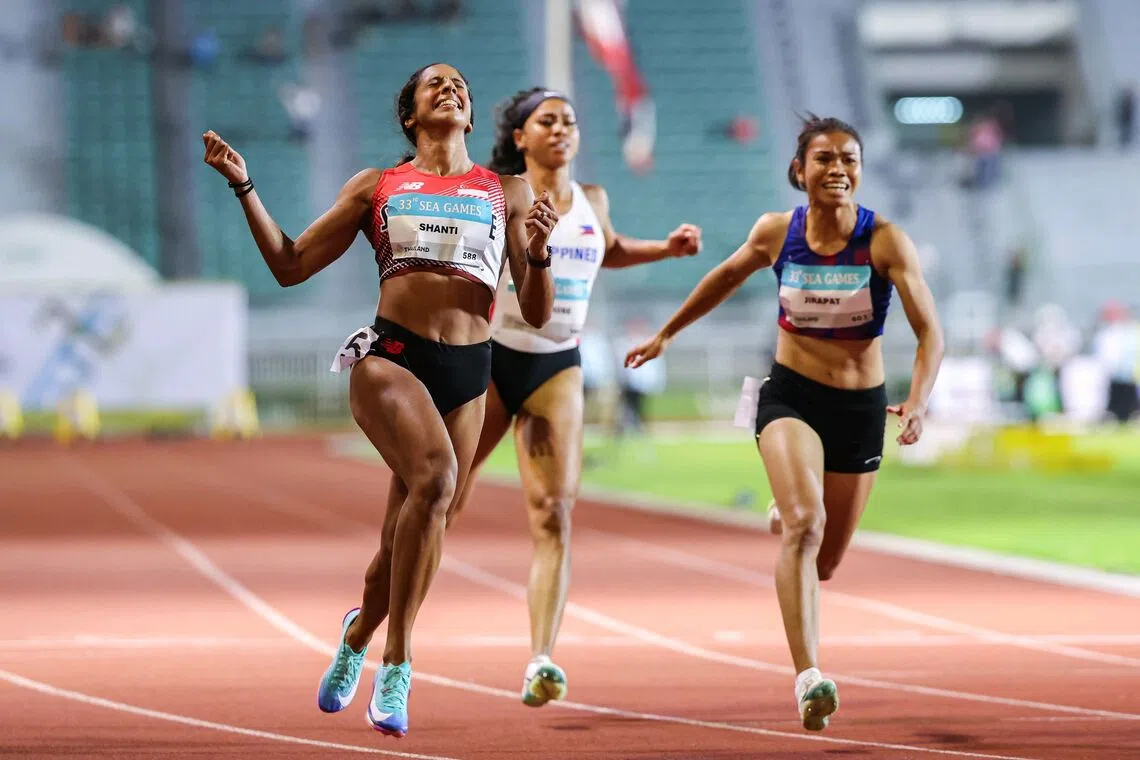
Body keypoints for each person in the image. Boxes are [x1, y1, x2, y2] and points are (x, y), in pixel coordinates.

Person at [202, 63, 559, 739]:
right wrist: (245, 187)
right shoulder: (379, 186)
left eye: (461, 84)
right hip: (391, 358)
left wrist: (537, 254)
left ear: (472, 117)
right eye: (436, 84)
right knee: (438, 480)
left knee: (416, 525)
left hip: (469, 370)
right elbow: (289, 264)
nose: (452, 88)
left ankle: (359, 633)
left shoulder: (504, 190)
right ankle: (399, 664)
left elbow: (537, 315)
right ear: (410, 116)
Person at [625, 114, 944, 732]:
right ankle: (809, 678)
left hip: (859, 406)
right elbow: (723, 276)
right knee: (806, 525)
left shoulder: (885, 242)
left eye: (849, 158)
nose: (838, 169)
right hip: (790, 396)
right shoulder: (777, 232)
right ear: (799, 170)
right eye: (824, 158)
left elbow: (931, 331)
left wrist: (922, 399)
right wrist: (666, 332)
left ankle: (788, 508)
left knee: (823, 563)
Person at [446, 87, 701, 707]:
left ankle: (541, 659)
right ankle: (394, 624)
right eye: (547, 121)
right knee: (442, 495)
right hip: (492, 354)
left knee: (554, 511)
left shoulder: (594, 200)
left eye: (570, 120)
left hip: (558, 361)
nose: (562, 129)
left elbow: (606, 249)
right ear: (521, 136)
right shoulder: (499, 193)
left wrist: (663, 250)